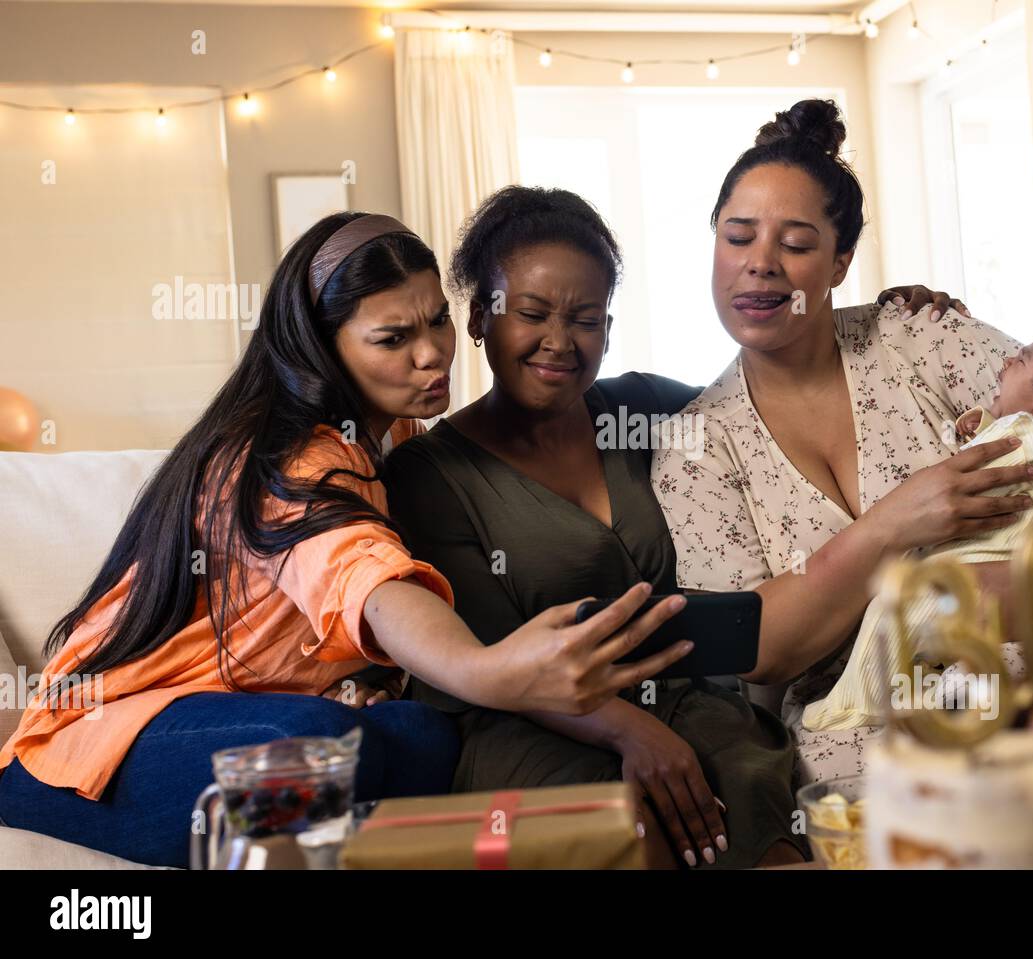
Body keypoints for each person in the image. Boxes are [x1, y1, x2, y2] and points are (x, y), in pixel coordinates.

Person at [0, 212, 688, 867]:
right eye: (393, 339)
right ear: (322, 347)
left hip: (248, 710)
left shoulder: (393, 433)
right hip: (101, 740)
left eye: (437, 321)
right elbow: (367, 579)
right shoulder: (286, 461)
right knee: (311, 750)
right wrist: (494, 672)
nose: (431, 355)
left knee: (425, 735)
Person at [651, 100, 1033, 785]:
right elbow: (754, 644)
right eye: (737, 236)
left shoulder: (919, 334)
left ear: (840, 259)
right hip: (871, 699)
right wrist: (893, 523)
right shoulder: (695, 447)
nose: (759, 265)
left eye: (794, 243)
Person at [383, 187, 809, 869]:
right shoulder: (427, 473)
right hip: (530, 721)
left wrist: (874, 322)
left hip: (686, 699)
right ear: (477, 318)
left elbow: (772, 382)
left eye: (586, 319)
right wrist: (632, 733)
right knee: (632, 824)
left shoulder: (640, 407)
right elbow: (488, 662)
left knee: (763, 810)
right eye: (531, 314)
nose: (559, 341)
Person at [802, 323, 1033, 731]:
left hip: (987, 565)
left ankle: (859, 705)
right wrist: (981, 421)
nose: (1005, 361)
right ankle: (900, 690)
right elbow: (1007, 438)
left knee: (893, 611)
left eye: (1020, 361)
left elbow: (984, 471)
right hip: (982, 574)